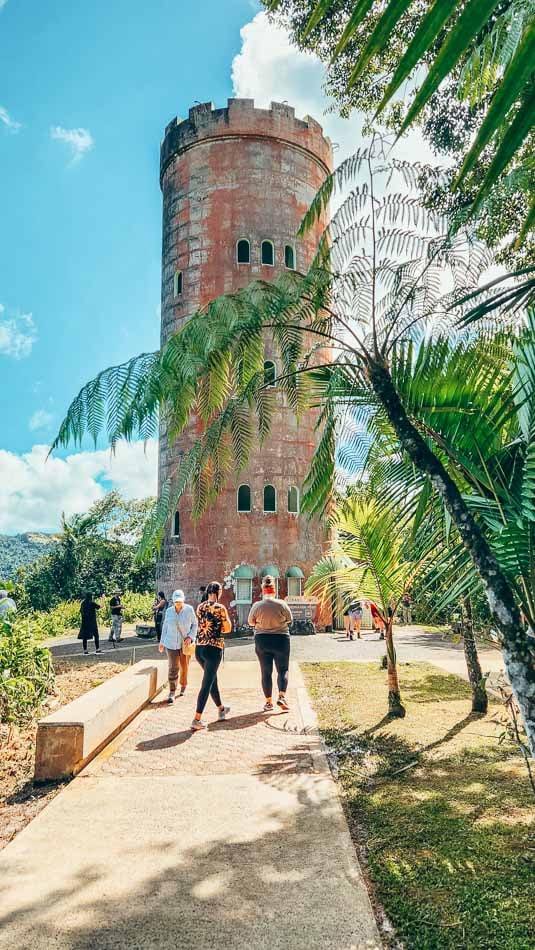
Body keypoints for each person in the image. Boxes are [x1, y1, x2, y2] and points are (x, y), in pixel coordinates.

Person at [248, 575, 293, 712]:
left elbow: (251, 622)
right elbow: (289, 619)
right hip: (281, 639)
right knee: (283, 669)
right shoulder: (281, 604)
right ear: (275, 590)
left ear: (263, 590)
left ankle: (268, 702)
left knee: (266, 672)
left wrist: (260, 623)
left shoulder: (257, 605)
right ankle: (282, 696)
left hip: (262, 640)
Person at [192, 581, 232, 731]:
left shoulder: (200, 606)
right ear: (218, 592)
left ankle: (221, 709)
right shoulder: (220, 608)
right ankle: (197, 719)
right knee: (207, 683)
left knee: (212, 680)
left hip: (200, 649)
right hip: (213, 649)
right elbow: (227, 628)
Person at [159, 589, 197, 703]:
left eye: (180, 601)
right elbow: (165, 627)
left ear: (183, 600)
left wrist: (190, 636)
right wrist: (161, 642)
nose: (178, 604)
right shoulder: (169, 611)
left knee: (184, 666)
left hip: (184, 643)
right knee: (173, 667)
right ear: (173, 601)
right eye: (176, 602)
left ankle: (183, 685)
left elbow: (195, 624)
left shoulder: (189, 610)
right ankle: (172, 691)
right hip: (170, 643)